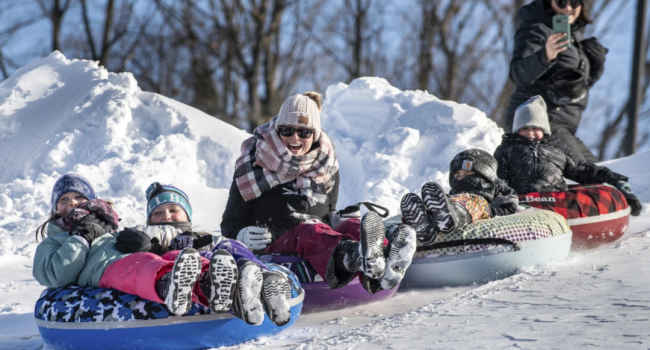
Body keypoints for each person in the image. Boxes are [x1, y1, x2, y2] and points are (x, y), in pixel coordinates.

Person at [221, 91, 417, 293]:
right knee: (309, 232)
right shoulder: (252, 165)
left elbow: (325, 215)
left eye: (303, 132)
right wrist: (240, 235)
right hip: (273, 244)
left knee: (351, 225)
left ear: (315, 135)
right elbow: (229, 224)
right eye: (286, 131)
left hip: (316, 240)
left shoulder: (326, 166)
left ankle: (386, 261)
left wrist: (339, 220)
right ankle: (355, 258)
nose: (294, 138)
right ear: (277, 130)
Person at [33, 175, 291, 326]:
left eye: (78, 198)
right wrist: (80, 237)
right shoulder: (53, 242)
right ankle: (170, 285)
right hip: (103, 269)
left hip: (131, 257)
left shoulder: (106, 224)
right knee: (143, 266)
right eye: (64, 200)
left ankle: (224, 283)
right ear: (55, 209)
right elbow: (58, 275)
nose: (72, 204)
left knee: (173, 257)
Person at [495, 95, 642, 216]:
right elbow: (498, 178)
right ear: (516, 130)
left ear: (544, 130)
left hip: (556, 202)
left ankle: (594, 220)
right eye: (525, 128)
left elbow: (582, 170)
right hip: (524, 202)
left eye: (536, 128)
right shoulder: (507, 150)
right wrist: (506, 198)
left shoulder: (556, 152)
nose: (531, 132)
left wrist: (615, 180)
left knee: (605, 194)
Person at [503, 0, 607, 163]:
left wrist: (595, 67)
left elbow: (573, 88)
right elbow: (518, 74)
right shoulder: (537, 30)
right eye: (561, 2)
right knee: (587, 178)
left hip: (563, 127)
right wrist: (545, 55)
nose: (568, 8)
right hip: (537, 124)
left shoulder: (574, 38)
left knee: (600, 174)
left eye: (574, 2)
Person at [400, 149, 522, 246]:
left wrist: (495, 208)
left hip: (481, 208)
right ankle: (424, 225)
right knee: (447, 202)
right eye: (458, 175)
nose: (462, 178)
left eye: (468, 174)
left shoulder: (496, 192)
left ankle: (450, 218)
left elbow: (510, 202)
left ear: (486, 176)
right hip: (454, 203)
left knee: (473, 201)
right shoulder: (453, 195)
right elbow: (443, 201)